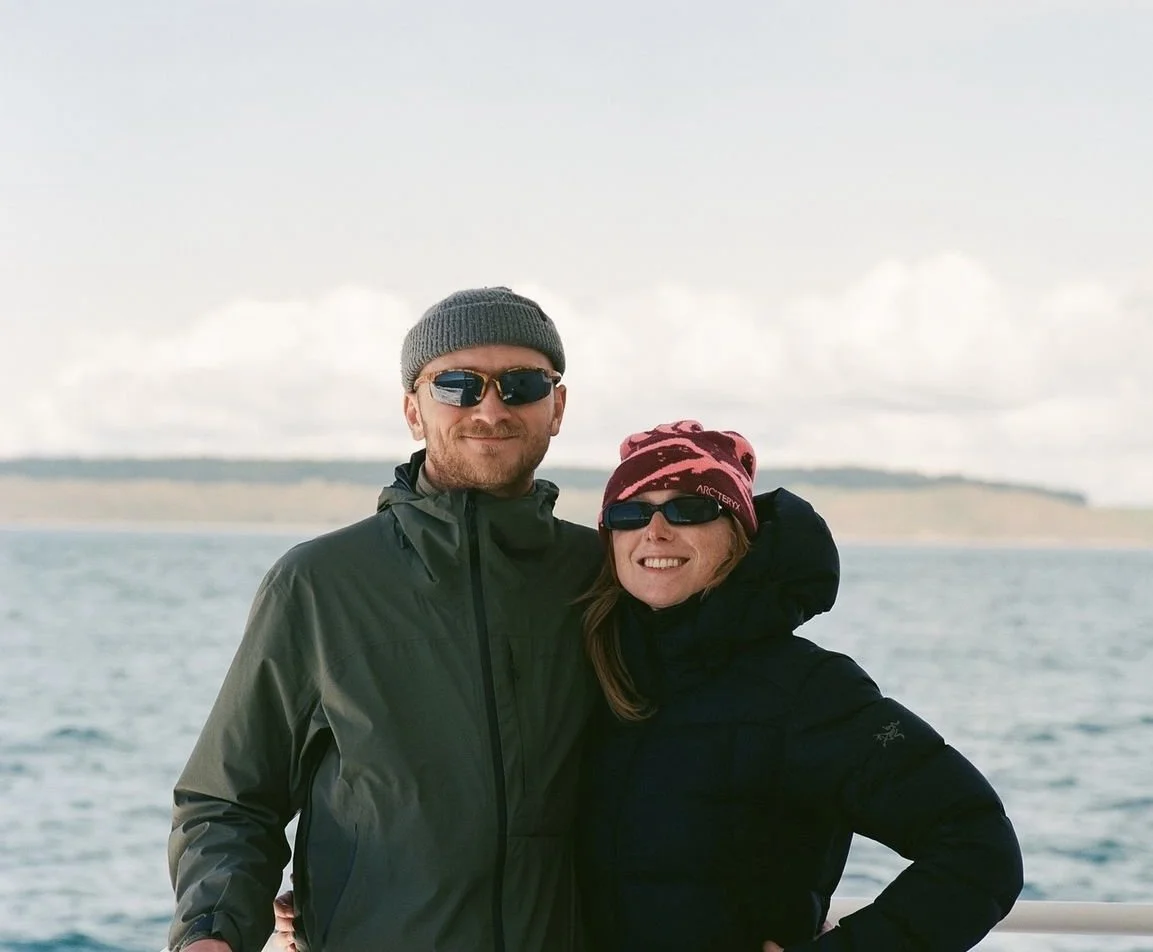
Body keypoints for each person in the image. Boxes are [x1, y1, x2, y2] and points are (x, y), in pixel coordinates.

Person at [167, 287, 606, 951]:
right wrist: (211, 931)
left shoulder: (603, 576)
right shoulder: (319, 582)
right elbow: (231, 800)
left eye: (522, 384)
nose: (490, 408)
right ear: (413, 410)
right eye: (457, 385)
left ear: (558, 406)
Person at [576, 420, 1024, 951]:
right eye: (629, 513)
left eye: (688, 509)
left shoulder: (807, 692)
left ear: (738, 535)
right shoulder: (587, 670)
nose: (654, 530)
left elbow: (978, 847)